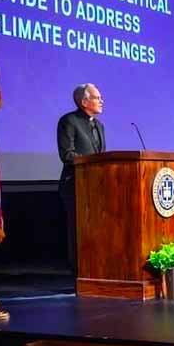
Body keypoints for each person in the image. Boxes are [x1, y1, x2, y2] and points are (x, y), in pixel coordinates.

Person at [57, 83, 106, 272]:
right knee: (78, 231)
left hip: (97, 186)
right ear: (84, 101)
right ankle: (78, 269)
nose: (101, 101)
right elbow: (67, 154)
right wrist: (92, 162)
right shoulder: (69, 121)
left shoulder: (99, 125)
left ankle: (96, 266)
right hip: (76, 186)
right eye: (97, 98)